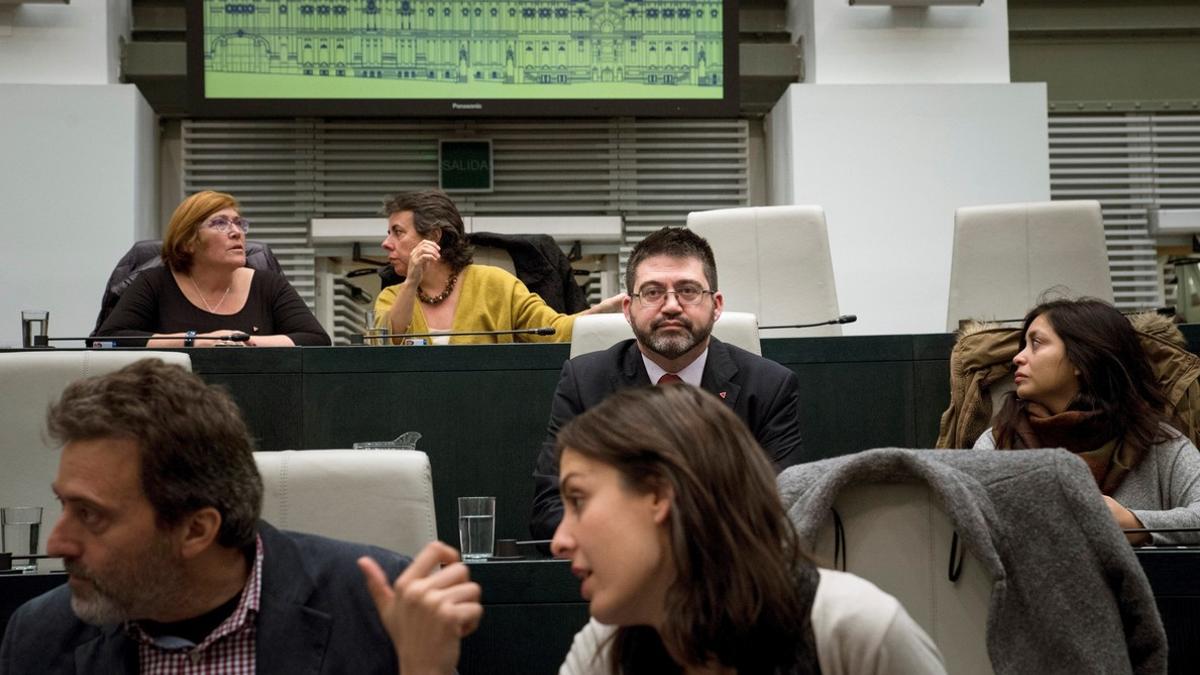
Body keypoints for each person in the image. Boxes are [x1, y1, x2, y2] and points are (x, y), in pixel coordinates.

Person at [359, 385, 945, 674]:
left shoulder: (852, 629)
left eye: (580, 500)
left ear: (661, 494)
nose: (560, 540)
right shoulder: (606, 648)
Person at [0, 359, 405, 673]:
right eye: (63, 505)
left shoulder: (379, 611)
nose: (56, 544)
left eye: (91, 515)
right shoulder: (40, 636)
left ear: (196, 530)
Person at [529, 226, 806, 539]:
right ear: (628, 310)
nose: (672, 305)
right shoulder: (585, 382)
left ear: (716, 306)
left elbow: (782, 506)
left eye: (688, 290)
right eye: (652, 292)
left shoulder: (769, 386)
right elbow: (551, 507)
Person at [973, 298, 1200, 545]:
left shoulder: (1158, 442)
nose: (1018, 357)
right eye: (1023, 346)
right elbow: (967, 524)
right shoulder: (998, 442)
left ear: (1081, 359)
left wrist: (1134, 523)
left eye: (1035, 344)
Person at [373, 189, 622, 344]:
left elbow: (554, 331)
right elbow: (386, 343)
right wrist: (411, 282)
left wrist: (601, 313)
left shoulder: (496, 284)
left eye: (398, 232)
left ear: (434, 236)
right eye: (388, 233)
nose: (386, 243)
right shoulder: (391, 297)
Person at [95, 190, 330, 347]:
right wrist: (195, 340)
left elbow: (315, 339)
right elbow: (109, 339)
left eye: (239, 223)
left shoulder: (268, 285)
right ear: (188, 241)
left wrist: (243, 341)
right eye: (219, 223)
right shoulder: (154, 283)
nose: (236, 232)